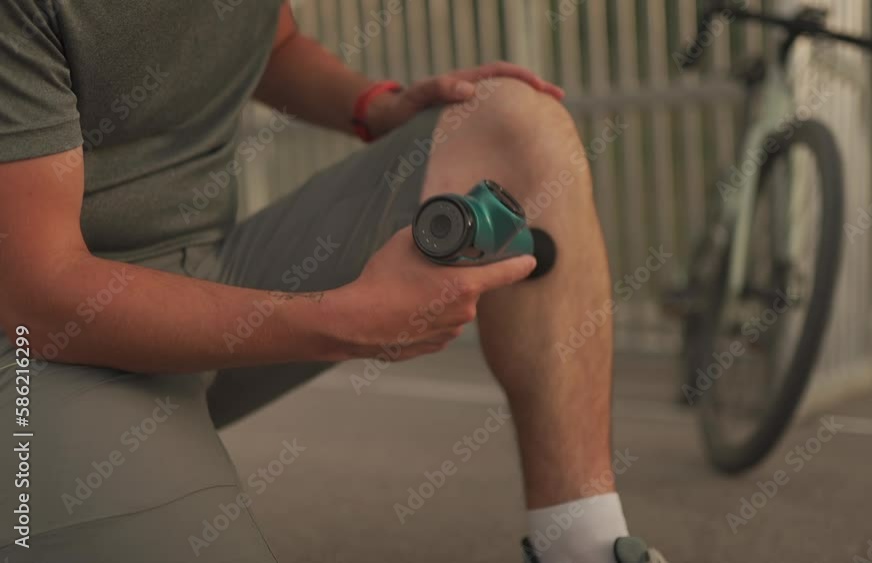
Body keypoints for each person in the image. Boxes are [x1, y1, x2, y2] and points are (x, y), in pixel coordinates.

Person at [0, 2, 666, 562]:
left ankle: (583, 544)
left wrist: (373, 106)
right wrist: (343, 321)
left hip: (208, 271)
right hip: (39, 345)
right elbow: (40, 294)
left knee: (511, 122)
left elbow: (270, 38)